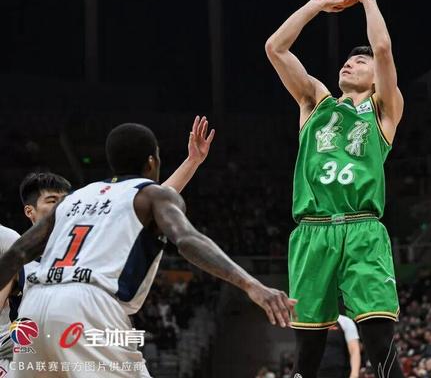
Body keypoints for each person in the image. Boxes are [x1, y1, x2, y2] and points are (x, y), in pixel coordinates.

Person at [0, 122, 295, 377]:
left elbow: (16, 253)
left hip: (33, 309)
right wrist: (251, 284)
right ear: (152, 161)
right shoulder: (151, 196)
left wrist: (192, 162)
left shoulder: (75, 199)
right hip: (86, 305)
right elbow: (187, 239)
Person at [265, 0, 404, 377]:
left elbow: (382, 49)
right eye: (347, 60)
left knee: (379, 341)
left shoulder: (384, 110)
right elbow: (275, 48)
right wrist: (315, 4)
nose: (349, 64)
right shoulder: (315, 102)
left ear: (376, 80)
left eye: (359, 63)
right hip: (312, 230)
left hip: (363, 230)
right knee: (307, 351)